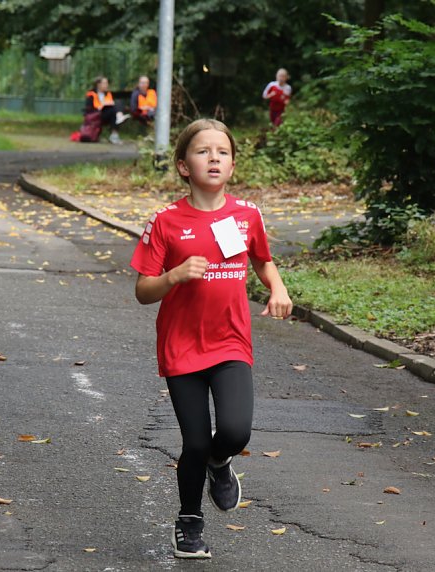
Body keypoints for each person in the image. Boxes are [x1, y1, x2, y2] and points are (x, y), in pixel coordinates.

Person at [130, 119, 293, 559]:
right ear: (184, 166)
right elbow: (144, 291)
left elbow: (263, 260)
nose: (214, 158)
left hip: (230, 342)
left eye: (222, 151)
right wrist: (174, 276)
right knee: (195, 441)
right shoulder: (165, 221)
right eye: (203, 151)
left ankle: (221, 464)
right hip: (181, 346)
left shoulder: (247, 214)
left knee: (236, 430)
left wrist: (277, 288)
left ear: (233, 164)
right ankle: (189, 522)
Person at [85, 76, 128, 144]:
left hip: (108, 114)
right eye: (104, 83)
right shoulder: (91, 94)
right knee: (113, 111)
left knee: (117, 105)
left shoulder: (108, 94)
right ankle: (114, 134)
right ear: (98, 84)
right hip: (96, 116)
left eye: (107, 83)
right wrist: (102, 105)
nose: (106, 85)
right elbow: (89, 108)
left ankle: (118, 117)